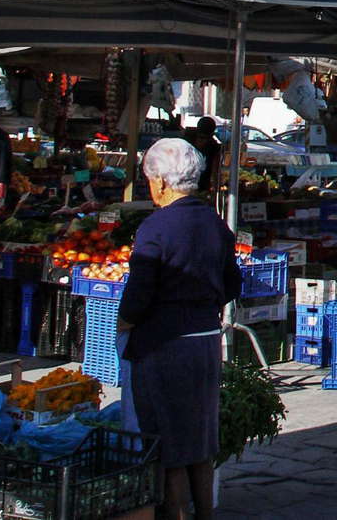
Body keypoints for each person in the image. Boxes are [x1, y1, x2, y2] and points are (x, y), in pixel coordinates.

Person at [119, 139, 242, 520]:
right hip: (205, 344)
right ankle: (205, 514)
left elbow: (138, 294)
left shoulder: (155, 228)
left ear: (160, 182)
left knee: (167, 445)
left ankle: (175, 515)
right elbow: (233, 284)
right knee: (199, 441)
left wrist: (124, 326)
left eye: (149, 180)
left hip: (163, 345)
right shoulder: (214, 223)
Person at [188, 117, 222, 194]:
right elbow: (215, 171)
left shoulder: (187, 141)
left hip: (193, 186)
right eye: (201, 138)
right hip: (199, 187)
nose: (203, 142)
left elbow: (215, 171)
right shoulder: (214, 146)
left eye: (205, 138)